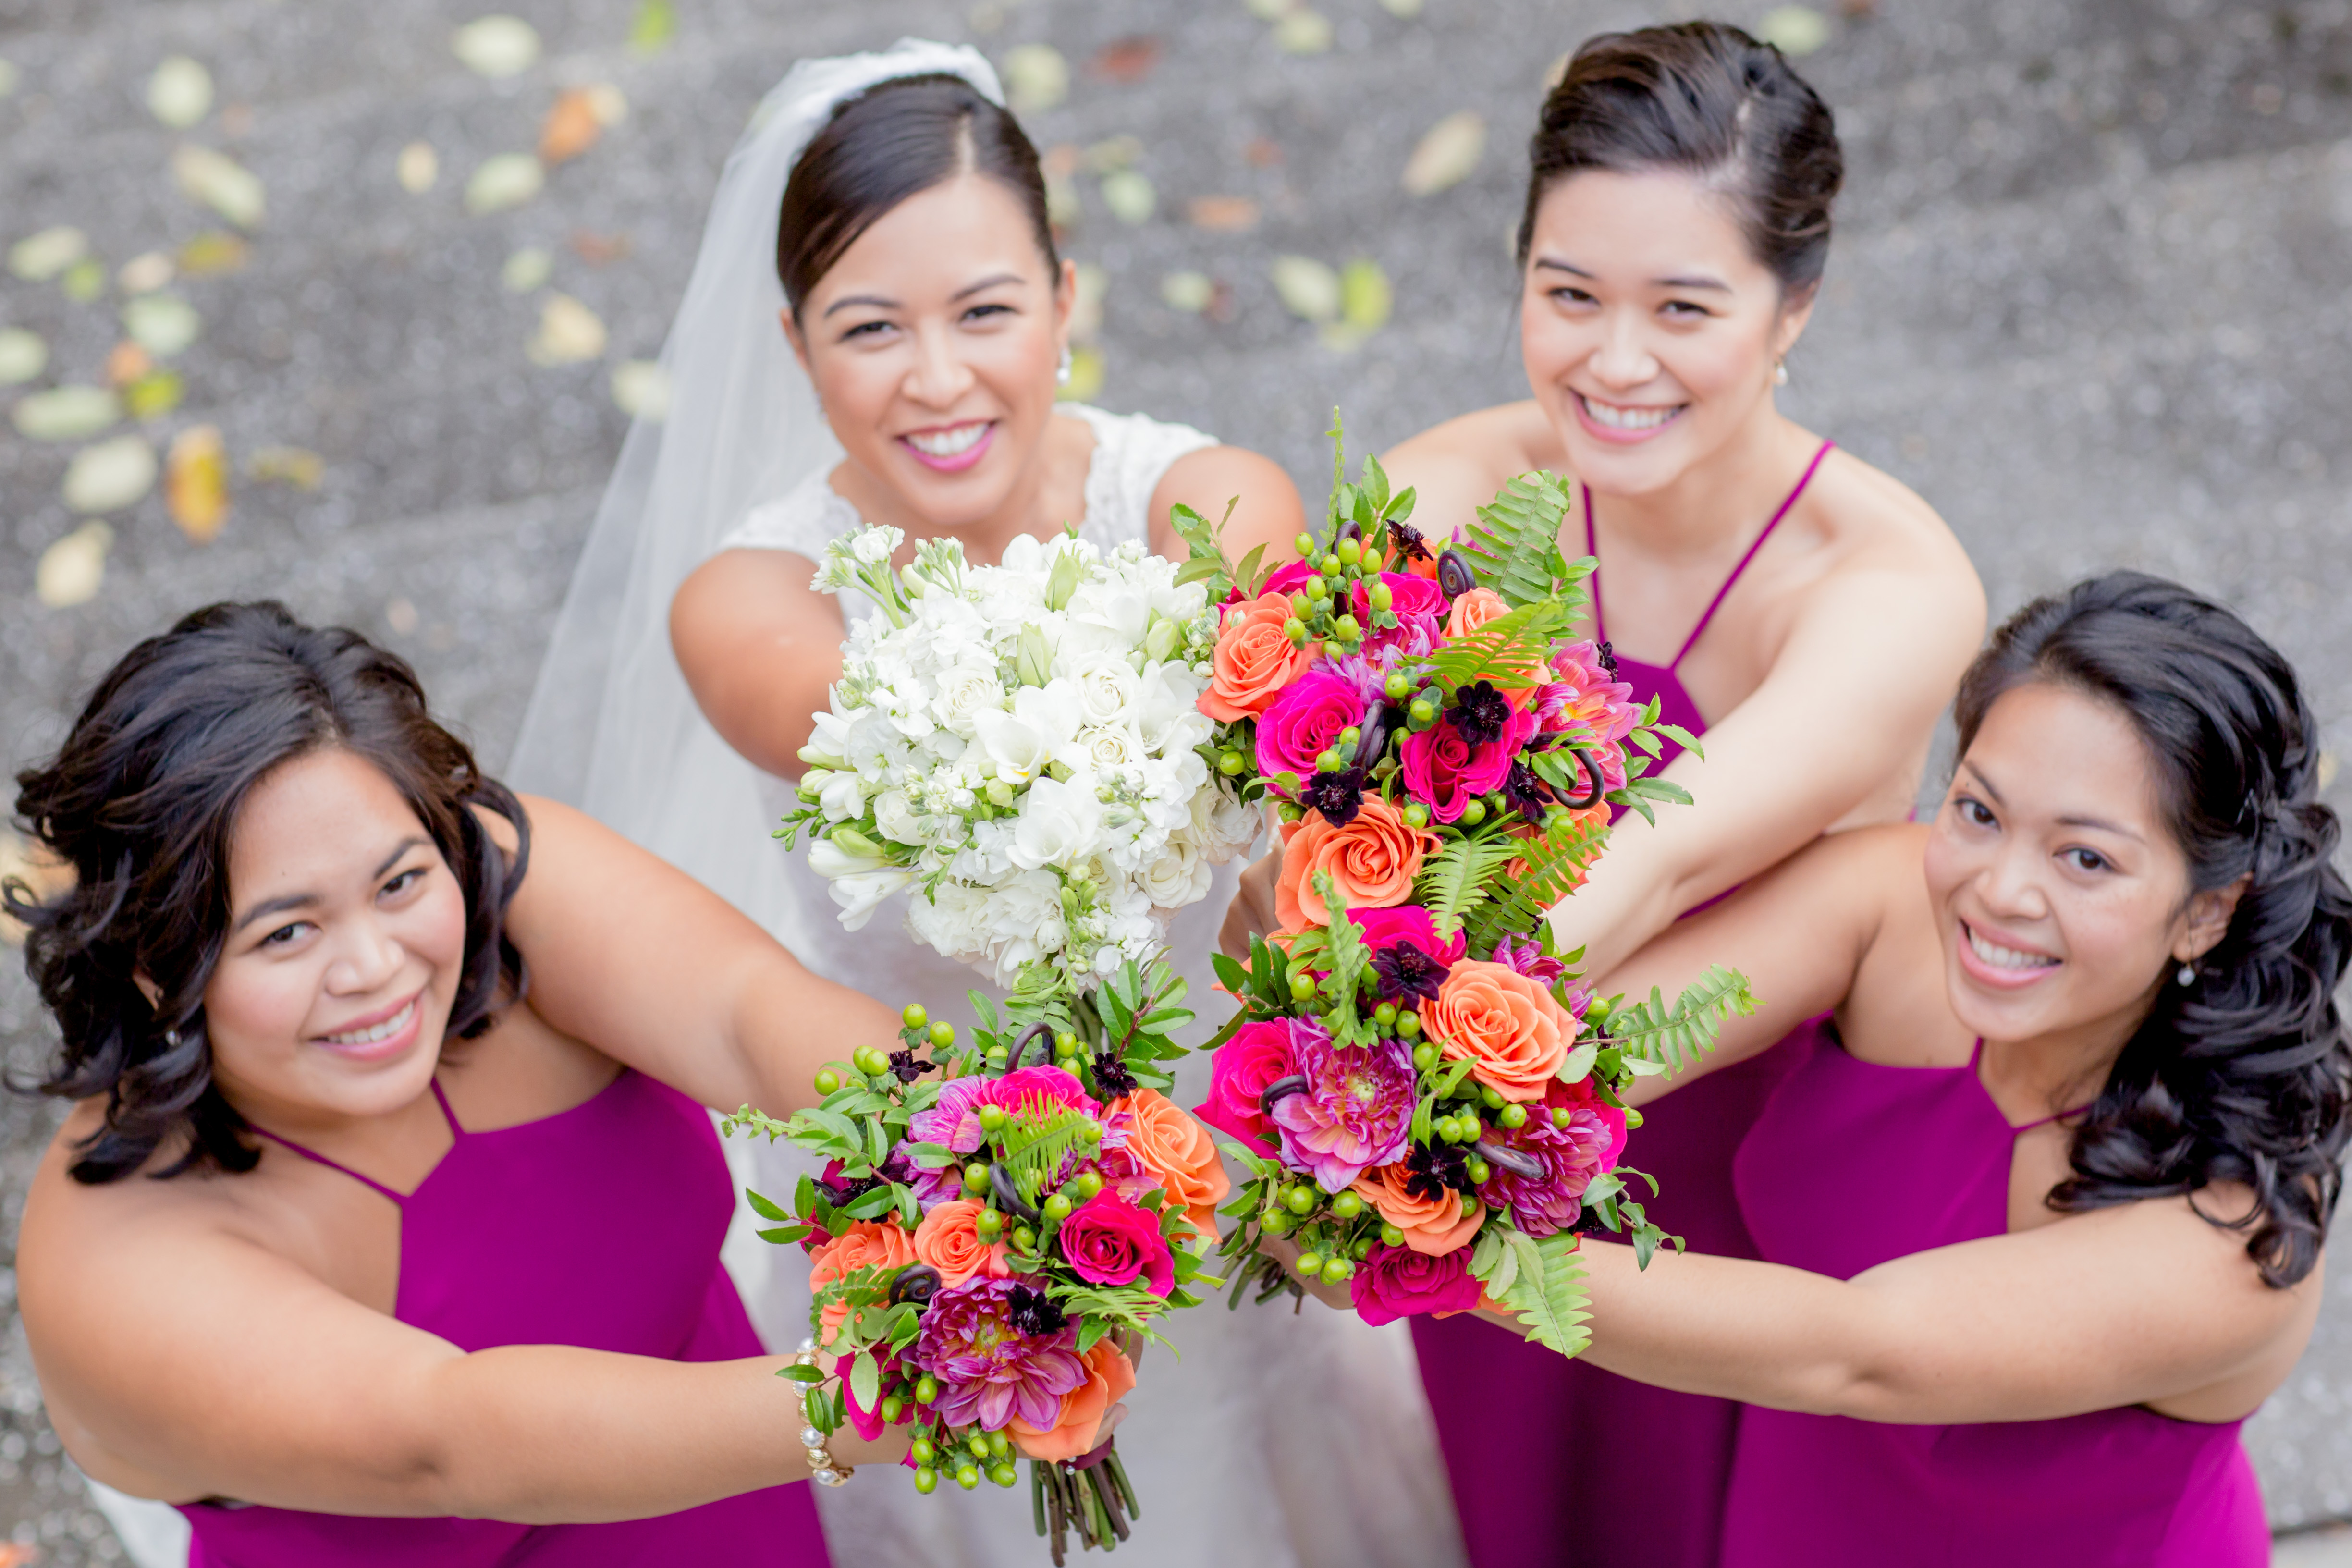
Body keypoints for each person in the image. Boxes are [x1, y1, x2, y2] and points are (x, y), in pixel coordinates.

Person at [511, 41, 1463, 1568]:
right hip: (966, 1192)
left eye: (986, 312)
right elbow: (927, 762)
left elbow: (1304, 828)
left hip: (1233, 1161)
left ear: (1066, 303)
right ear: (794, 344)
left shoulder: (1206, 500)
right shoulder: (750, 604)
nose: (937, 380)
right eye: (869, 328)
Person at [1220, 23, 1985, 1563]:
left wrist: (1379, 1118)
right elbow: (1290, 827)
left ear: (1795, 312)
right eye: (1568, 295)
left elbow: (1652, 851)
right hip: (1472, 1179)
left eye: (1683, 308)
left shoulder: (1890, 585)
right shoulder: (1440, 495)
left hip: (1750, 1189)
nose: (1614, 363)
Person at [1296, 572, 2348, 1565]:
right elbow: (1581, 1045)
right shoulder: (1893, 909)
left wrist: (1424, 1249)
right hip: (1801, 1518)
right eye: (1979, 812)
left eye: (2086, 859)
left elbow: (1855, 1349)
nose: (2000, 893)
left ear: (2210, 909)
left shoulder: (2240, 1230)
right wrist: (1356, 1080)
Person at [9, 603, 920, 1567]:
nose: (375, 965)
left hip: (739, 1524)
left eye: (398, 883)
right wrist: (882, 1394)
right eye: (286, 932)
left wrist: (979, 1144)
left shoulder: (497, 881)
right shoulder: (113, 1261)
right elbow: (454, 1440)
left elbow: (751, 1018)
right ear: (157, 965)